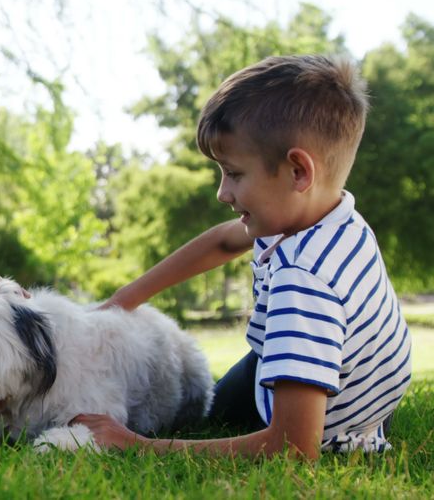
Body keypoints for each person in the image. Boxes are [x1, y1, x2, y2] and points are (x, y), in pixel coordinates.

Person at [77, 55, 412, 459]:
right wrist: (120, 302)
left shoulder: (302, 281)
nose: (223, 193)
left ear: (298, 172)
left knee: (199, 420)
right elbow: (223, 241)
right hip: (361, 394)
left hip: (332, 424)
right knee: (215, 404)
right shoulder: (335, 217)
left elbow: (293, 447)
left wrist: (137, 445)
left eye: (234, 174)